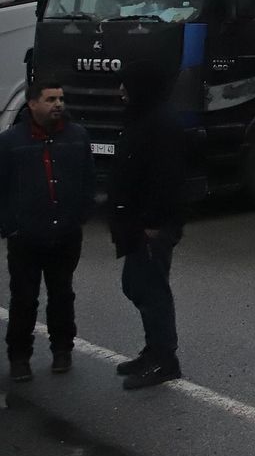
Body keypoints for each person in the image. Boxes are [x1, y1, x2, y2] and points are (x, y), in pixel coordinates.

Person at [0, 80, 94, 382]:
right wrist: (10, 227)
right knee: (24, 299)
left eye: (61, 99)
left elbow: (88, 181)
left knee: (62, 294)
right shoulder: (11, 142)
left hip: (64, 235)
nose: (58, 105)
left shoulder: (77, 137)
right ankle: (19, 357)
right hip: (25, 237)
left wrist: (78, 216)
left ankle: (62, 350)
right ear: (32, 104)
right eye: (50, 99)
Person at [108, 61, 187, 390]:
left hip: (151, 225)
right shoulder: (141, 118)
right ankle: (153, 350)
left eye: (125, 84)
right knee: (137, 285)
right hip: (136, 222)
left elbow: (167, 180)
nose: (120, 90)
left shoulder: (163, 124)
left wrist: (153, 223)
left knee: (150, 290)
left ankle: (165, 359)